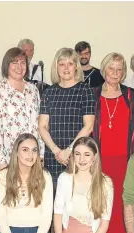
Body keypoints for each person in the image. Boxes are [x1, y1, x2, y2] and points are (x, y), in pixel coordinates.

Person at [53, 137, 113, 233]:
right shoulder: (64, 179)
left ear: (94, 157)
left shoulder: (105, 182)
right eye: (77, 154)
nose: (82, 159)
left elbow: (104, 224)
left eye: (87, 154)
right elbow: (57, 214)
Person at [93, 52, 134, 233]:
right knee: (101, 202)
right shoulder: (93, 94)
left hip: (124, 159)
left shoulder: (130, 95)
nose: (115, 73)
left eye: (120, 69)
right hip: (100, 159)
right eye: (111, 68)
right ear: (104, 70)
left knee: (121, 203)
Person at [39, 47, 96, 190]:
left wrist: (69, 151)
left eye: (70, 63)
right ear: (56, 67)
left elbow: (88, 126)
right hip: (53, 156)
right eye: (61, 64)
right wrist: (57, 151)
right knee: (54, 202)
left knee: (75, 201)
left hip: (77, 156)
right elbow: (42, 126)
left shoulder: (85, 91)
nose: (66, 68)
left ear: (76, 67)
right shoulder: (48, 92)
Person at [0, 47, 44, 173]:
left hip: (32, 158)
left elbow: (38, 124)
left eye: (23, 63)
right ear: (7, 65)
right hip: (9, 160)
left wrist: (41, 153)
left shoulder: (33, 90)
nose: (19, 67)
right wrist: (0, 162)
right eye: (14, 62)